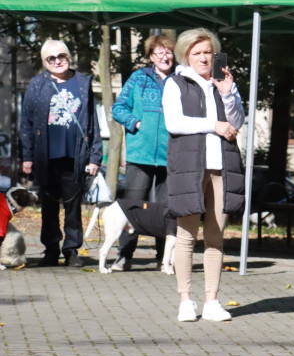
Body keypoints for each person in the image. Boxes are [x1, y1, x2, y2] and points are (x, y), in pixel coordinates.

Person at [162, 28, 245, 323]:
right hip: (189, 167)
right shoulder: (176, 83)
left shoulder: (222, 84)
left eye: (208, 52)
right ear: (186, 55)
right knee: (186, 235)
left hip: (222, 166)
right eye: (196, 53)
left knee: (215, 236)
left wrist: (229, 96)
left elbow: (237, 122)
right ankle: (185, 300)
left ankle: (212, 301)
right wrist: (214, 125)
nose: (203, 58)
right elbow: (174, 123)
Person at [19, 39, 102, 267]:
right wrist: (27, 156)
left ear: (68, 56)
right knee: (48, 207)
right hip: (46, 156)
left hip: (75, 157)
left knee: (73, 206)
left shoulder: (83, 83)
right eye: (51, 58)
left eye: (61, 56)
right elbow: (26, 123)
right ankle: (51, 250)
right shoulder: (37, 85)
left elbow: (92, 124)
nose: (57, 61)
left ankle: (72, 250)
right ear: (45, 62)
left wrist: (95, 157)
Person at [111, 34, 175, 271]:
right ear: (150, 57)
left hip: (171, 156)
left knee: (166, 209)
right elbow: (118, 107)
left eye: (168, 51)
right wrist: (135, 123)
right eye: (159, 52)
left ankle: (164, 259)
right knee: (133, 207)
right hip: (140, 155)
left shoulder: (181, 80)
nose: (164, 56)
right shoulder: (138, 78)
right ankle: (124, 256)